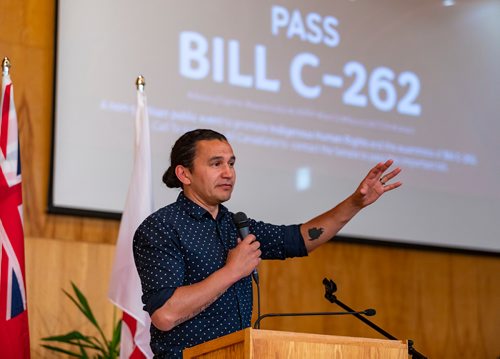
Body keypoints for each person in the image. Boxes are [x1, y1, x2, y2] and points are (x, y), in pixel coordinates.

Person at [133, 128, 402, 358]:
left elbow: (300, 239)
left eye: (232, 163)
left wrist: (356, 203)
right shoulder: (162, 227)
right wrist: (232, 271)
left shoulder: (236, 225)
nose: (228, 173)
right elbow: (165, 315)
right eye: (216, 164)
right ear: (184, 174)